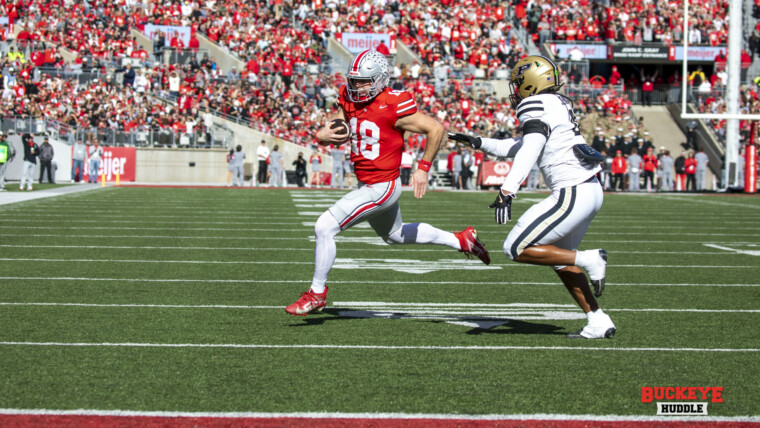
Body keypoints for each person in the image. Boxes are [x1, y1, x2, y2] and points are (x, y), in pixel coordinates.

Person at [286, 49, 490, 316]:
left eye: (364, 81)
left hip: (382, 186)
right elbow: (338, 125)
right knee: (395, 235)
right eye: (354, 80)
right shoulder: (349, 97)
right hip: (368, 184)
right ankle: (461, 240)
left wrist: (423, 168)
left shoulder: (394, 103)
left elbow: (436, 129)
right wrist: (322, 134)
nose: (357, 86)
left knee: (324, 227)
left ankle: (316, 294)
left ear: (381, 79)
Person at [449, 55, 615, 339]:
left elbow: (533, 145)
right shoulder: (557, 102)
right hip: (588, 189)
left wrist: (507, 189)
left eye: (518, 83)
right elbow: (520, 144)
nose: (515, 90)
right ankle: (597, 320)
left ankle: (590, 258)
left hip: (572, 190)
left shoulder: (533, 103)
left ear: (530, 83)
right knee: (561, 260)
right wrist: (479, 143)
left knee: (515, 247)